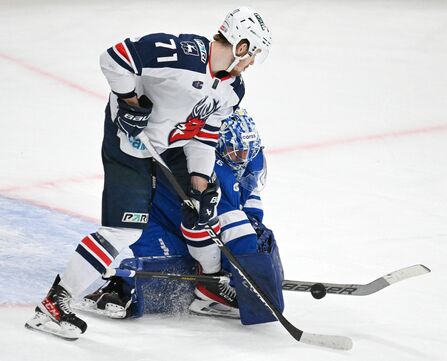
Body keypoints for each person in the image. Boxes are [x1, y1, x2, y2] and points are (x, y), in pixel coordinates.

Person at [25, 7, 272, 340]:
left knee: (203, 209)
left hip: (171, 145)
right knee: (123, 231)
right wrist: (129, 102)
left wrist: (200, 181)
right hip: (129, 143)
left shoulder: (232, 89)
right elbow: (114, 57)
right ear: (240, 45)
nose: (252, 62)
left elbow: (204, 135)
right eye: (253, 53)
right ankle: (53, 305)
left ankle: (209, 288)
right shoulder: (178, 53)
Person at [76, 108, 284, 323]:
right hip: (156, 218)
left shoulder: (249, 155)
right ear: (219, 146)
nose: (243, 158)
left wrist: (252, 238)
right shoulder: (209, 170)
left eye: (247, 151)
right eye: (235, 151)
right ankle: (122, 288)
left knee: (244, 232)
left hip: (185, 220)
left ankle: (216, 279)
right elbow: (208, 226)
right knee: (174, 275)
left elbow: (248, 194)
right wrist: (214, 276)